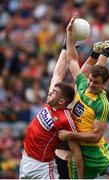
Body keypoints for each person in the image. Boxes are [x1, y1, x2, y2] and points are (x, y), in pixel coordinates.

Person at [58, 14, 109, 179]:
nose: (91, 84)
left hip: (97, 153)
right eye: (91, 80)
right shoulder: (84, 85)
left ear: (105, 85)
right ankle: (102, 51)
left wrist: (70, 135)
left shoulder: (103, 104)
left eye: (96, 83)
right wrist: (69, 33)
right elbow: (71, 59)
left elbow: (95, 135)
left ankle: (103, 51)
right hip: (78, 153)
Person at [19, 40, 83, 179]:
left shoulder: (65, 118)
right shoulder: (51, 104)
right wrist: (65, 49)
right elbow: (57, 75)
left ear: (61, 101)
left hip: (42, 168)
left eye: (54, 93)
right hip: (25, 160)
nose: (50, 93)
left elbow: (76, 151)